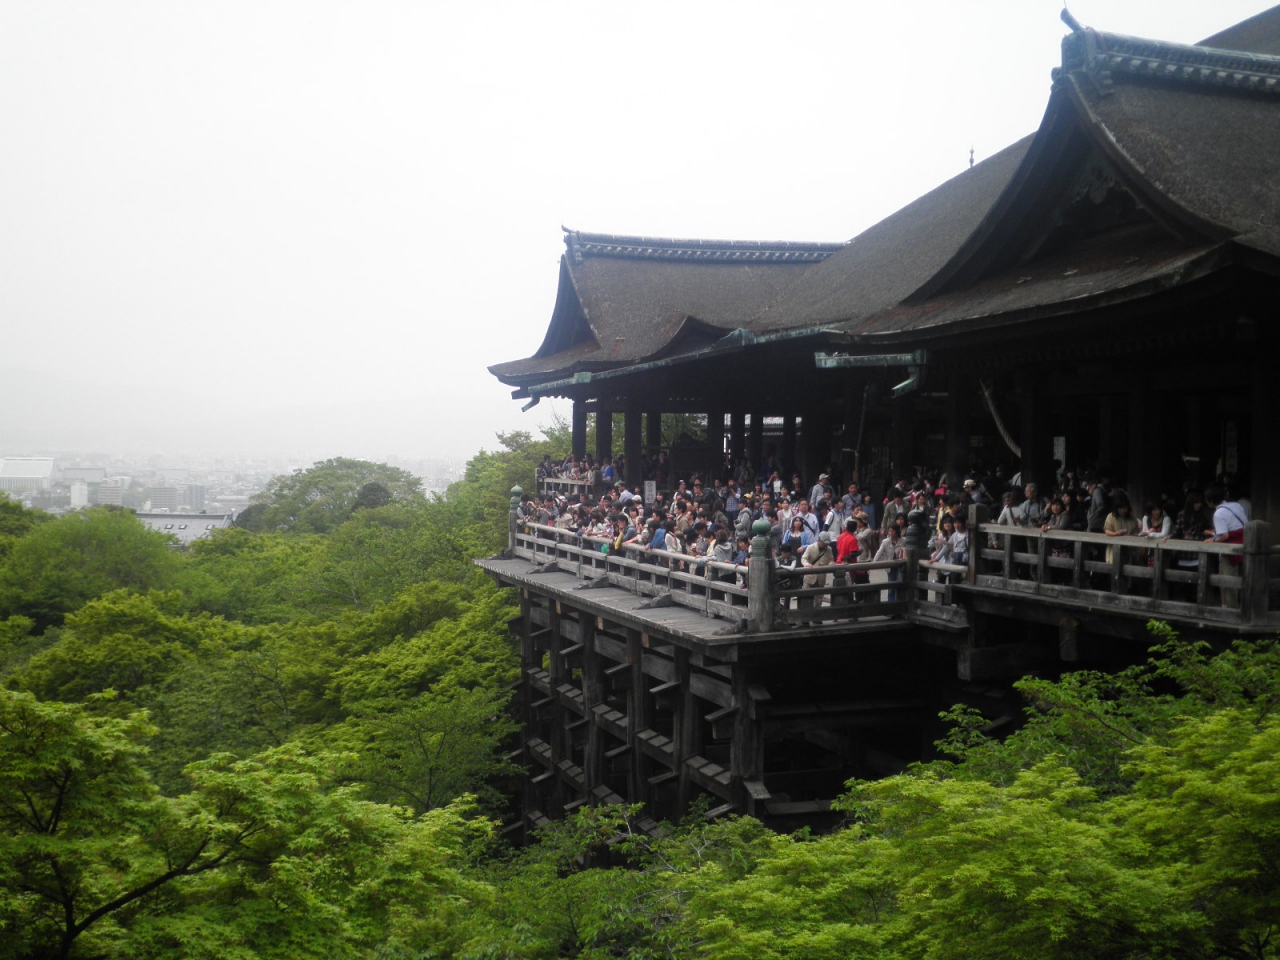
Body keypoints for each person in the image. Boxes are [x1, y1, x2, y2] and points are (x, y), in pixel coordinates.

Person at [1206, 485, 1247, 608]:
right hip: (1244, 546)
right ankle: (1234, 607)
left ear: (1209, 501)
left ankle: (1231, 609)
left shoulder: (1218, 513)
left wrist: (1212, 539)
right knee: (1240, 578)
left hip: (1230, 550)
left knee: (1227, 580)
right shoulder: (1236, 505)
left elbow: (1224, 535)